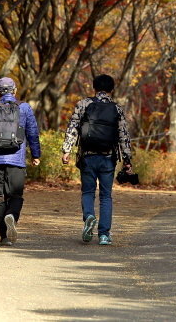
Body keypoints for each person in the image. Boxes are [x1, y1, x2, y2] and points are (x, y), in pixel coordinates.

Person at [61, 74, 133, 245]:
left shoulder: (84, 104)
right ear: (111, 90)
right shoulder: (117, 109)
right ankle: (104, 235)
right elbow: (124, 136)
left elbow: (73, 127)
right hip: (108, 158)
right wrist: (127, 159)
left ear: (94, 87)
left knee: (87, 192)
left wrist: (66, 150)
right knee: (106, 196)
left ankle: (89, 217)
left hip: (87, 155)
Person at [0, 77, 41, 246]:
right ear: (15, 91)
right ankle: (12, 215)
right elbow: (32, 133)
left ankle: (4, 237)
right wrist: (35, 155)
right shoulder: (24, 108)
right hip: (17, 159)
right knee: (16, 195)